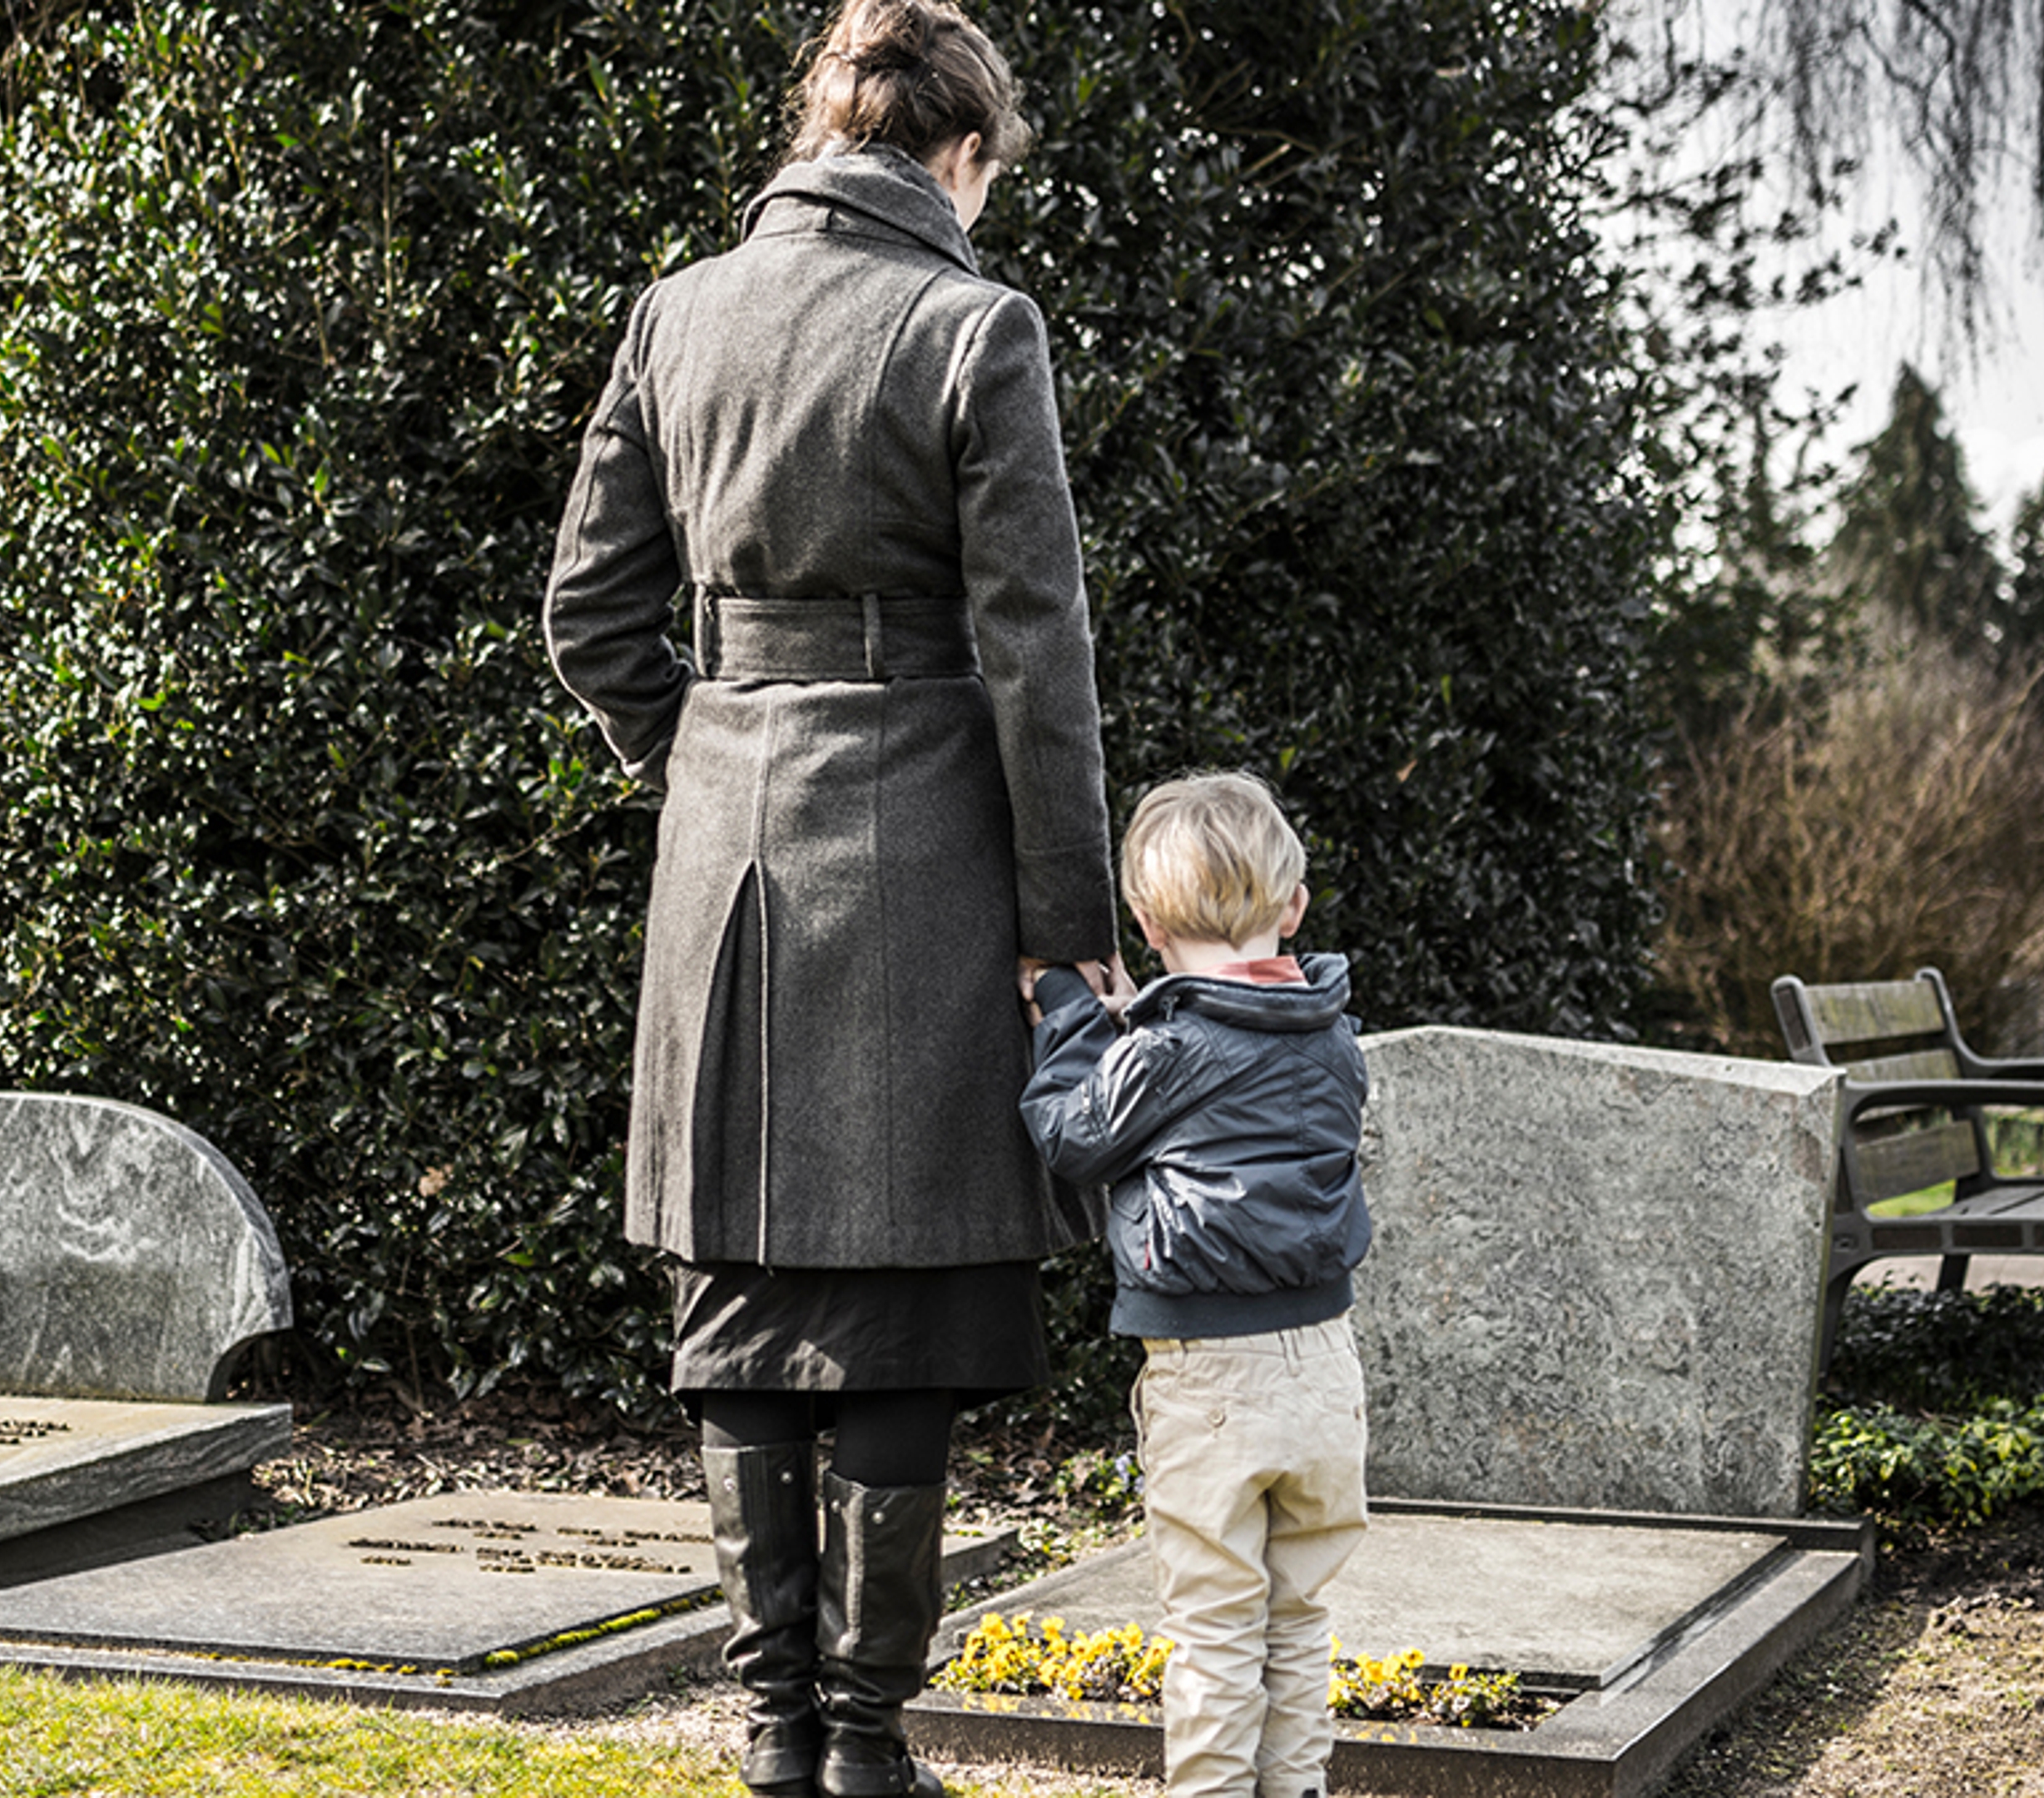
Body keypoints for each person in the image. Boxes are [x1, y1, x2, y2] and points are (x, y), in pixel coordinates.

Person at [540, 2, 1117, 1794]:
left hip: (724, 855)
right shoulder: (972, 325)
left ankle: (780, 1739)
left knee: (742, 1283)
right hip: (926, 849)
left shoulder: (679, 309)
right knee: (902, 1299)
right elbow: (1038, 656)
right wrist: (1068, 923)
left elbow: (588, 613)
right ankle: (864, 1747)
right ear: (961, 152)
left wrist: (704, 755)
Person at [1015, 771, 1372, 1798]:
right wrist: (1143, 1014)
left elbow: (1074, 1133)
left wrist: (1074, 1014)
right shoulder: (1333, 1038)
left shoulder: (1164, 1050)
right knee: (1297, 1621)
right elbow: (1233, 1056)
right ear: (1294, 907)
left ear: (1146, 918)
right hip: (1323, 1370)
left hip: (1210, 1379)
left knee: (1214, 1628)